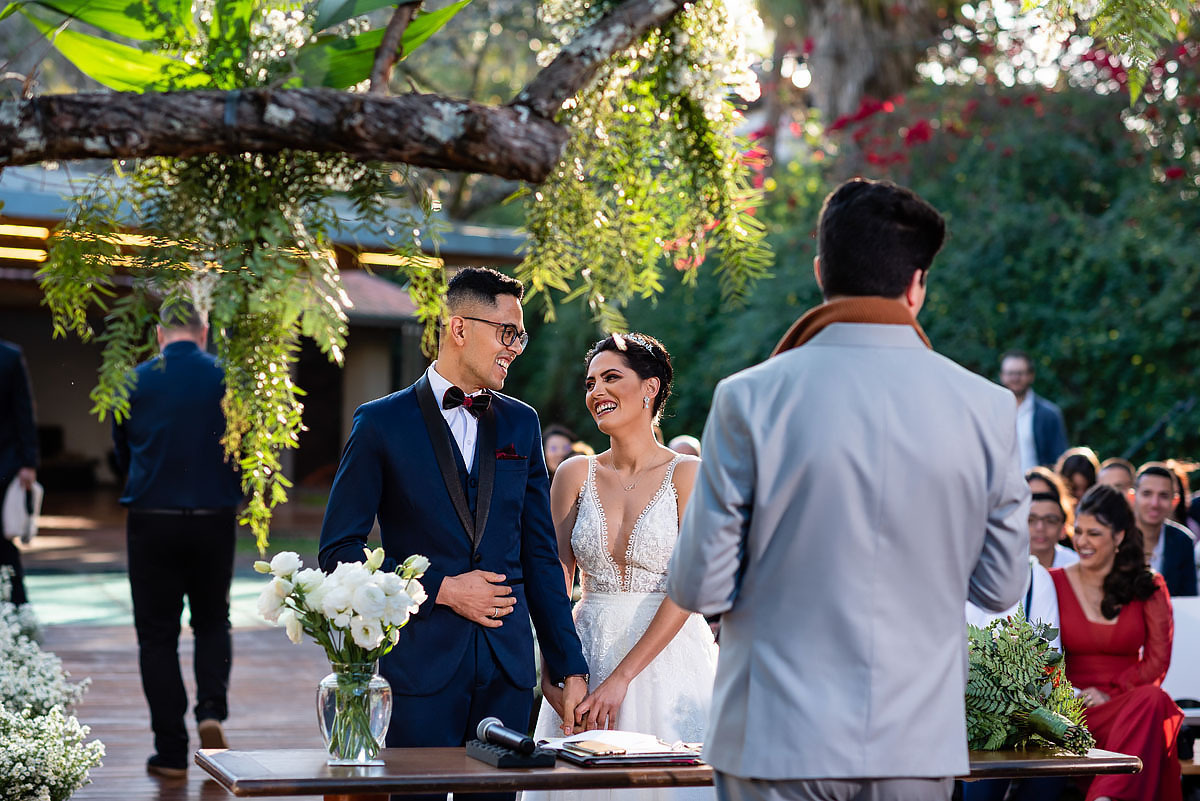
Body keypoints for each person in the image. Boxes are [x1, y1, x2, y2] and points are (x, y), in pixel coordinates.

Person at [667, 178, 1030, 801]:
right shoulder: (988, 409)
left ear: (819, 272)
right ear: (918, 285)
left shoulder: (748, 398)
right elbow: (1000, 589)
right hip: (914, 741)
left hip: (772, 733)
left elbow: (700, 586)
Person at [318, 267, 589, 801]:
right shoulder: (380, 424)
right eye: (506, 332)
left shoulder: (522, 424)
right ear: (459, 328)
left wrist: (567, 664)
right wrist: (441, 588)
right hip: (418, 670)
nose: (515, 347)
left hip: (506, 673)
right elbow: (338, 552)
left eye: (521, 335)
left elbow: (538, 554)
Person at [529, 333, 716, 801]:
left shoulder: (690, 475)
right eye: (591, 382)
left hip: (668, 661)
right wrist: (553, 668)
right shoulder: (574, 473)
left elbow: (688, 587)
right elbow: (555, 580)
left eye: (612, 378)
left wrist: (622, 679)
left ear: (650, 387)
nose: (597, 392)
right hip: (585, 659)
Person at [111, 300, 244, 779]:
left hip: (152, 517)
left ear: (159, 334)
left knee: (157, 635)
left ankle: (170, 751)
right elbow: (247, 449)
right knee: (212, 621)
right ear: (203, 331)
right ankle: (211, 710)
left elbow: (120, 451)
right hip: (213, 515)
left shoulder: (131, 379)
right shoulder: (230, 377)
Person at [1050, 483, 1184, 801]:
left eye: (1094, 533)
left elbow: (1157, 661)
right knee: (1153, 706)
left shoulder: (1149, 585)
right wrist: (1076, 695)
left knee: (1152, 699)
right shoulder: (1051, 581)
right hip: (1073, 711)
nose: (1082, 542)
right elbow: (1039, 656)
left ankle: (1105, 798)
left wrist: (1110, 693)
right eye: (1078, 531)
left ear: (1119, 537)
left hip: (1128, 705)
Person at [0, 340, 38, 608]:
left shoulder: (10, 357)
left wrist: (28, 462)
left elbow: (23, 411)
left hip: (3, 461)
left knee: (2, 539)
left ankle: (16, 607)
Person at [1131, 462, 1197, 597]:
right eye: (1147, 494)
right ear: (1133, 498)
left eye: (1163, 496)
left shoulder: (1183, 541)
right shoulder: (1115, 536)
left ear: (1175, 502)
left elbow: (1188, 597)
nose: (1154, 503)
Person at [999, 350, 1069, 471]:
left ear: (1031, 376)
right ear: (1002, 376)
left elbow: (1059, 459)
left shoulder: (1049, 414)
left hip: (1036, 487)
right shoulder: (992, 412)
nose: (1015, 378)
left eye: (1020, 373)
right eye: (1010, 373)